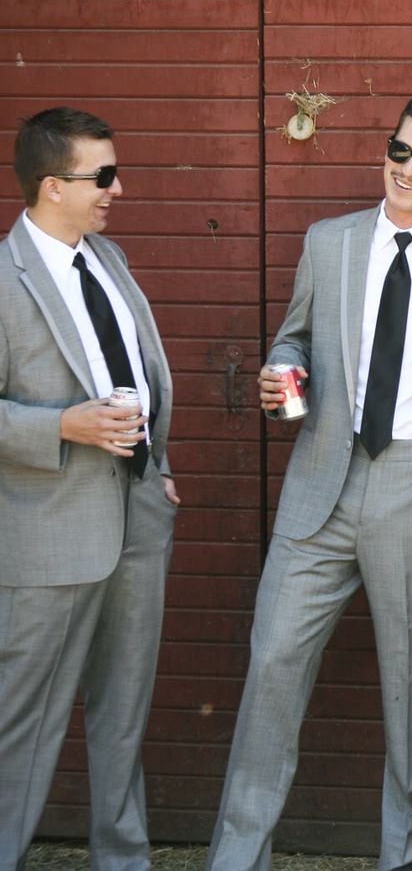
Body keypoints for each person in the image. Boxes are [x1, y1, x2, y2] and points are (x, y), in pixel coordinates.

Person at [206, 91, 412, 871]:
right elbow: (296, 335)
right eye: (399, 151)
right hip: (323, 472)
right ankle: (234, 859)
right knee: (272, 669)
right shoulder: (330, 241)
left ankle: (407, 859)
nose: (406, 171)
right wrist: (285, 373)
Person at [0, 106, 180, 870]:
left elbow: (137, 373)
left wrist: (160, 469)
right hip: (48, 528)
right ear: (50, 186)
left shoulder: (109, 260)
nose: (117, 187)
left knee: (123, 713)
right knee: (23, 724)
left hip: (137, 509)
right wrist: (59, 428)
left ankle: (124, 859)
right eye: (101, 176)